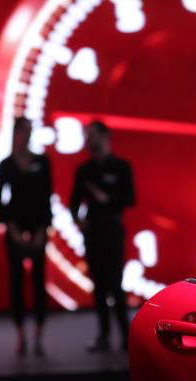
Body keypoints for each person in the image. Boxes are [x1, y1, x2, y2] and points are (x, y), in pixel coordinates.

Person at [70, 120, 136, 352]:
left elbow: (130, 199)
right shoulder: (84, 170)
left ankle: (126, 337)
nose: (89, 140)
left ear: (105, 137)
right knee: (98, 287)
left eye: (93, 135)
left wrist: (107, 199)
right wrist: (80, 222)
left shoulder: (121, 167)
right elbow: (73, 204)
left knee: (115, 286)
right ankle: (104, 335)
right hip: (93, 233)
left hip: (113, 231)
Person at [0, 117, 52, 356]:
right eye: (24, 131)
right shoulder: (6, 164)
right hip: (15, 229)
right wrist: (13, 230)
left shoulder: (42, 161)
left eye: (30, 131)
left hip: (38, 228)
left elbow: (47, 198)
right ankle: (20, 334)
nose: (27, 135)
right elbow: (1, 201)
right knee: (16, 283)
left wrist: (42, 230)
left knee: (39, 283)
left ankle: (39, 334)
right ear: (16, 132)